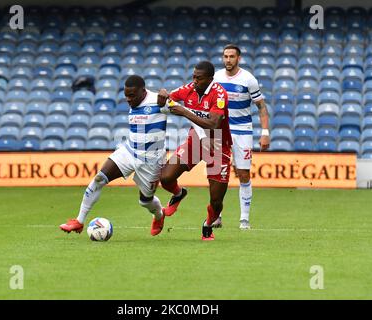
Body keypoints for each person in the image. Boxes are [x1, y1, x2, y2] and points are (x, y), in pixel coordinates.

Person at [60, 75, 170, 236]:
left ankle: (159, 215)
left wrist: (169, 97)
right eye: (126, 95)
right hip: (129, 150)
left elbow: (182, 110)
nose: (128, 99)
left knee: (145, 201)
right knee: (99, 178)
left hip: (150, 160)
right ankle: (79, 221)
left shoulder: (159, 101)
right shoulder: (134, 101)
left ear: (143, 91)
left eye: (132, 95)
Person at [157, 61, 231, 241]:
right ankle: (178, 193)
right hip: (196, 142)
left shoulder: (219, 94)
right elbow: (167, 97)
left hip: (218, 144)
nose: (195, 81)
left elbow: (214, 123)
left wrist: (185, 112)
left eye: (199, 78)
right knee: (165, 177)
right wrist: (162, 95)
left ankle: (207, 224)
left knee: (216, 200)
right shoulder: (189, 88)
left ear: (210, 79)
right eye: (193, 77)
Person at [213, 44, 271, 230]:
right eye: (225, 56)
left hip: (242, 131)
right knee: (217, 174)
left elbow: (261, 107)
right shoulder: (216, 77)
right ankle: (216, 217)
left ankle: (244, 219)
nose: (228, 60)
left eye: (231, 56)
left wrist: (265, 132)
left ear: (239, 58)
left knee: (243, 174)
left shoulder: (248, 79)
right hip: (221, 130)